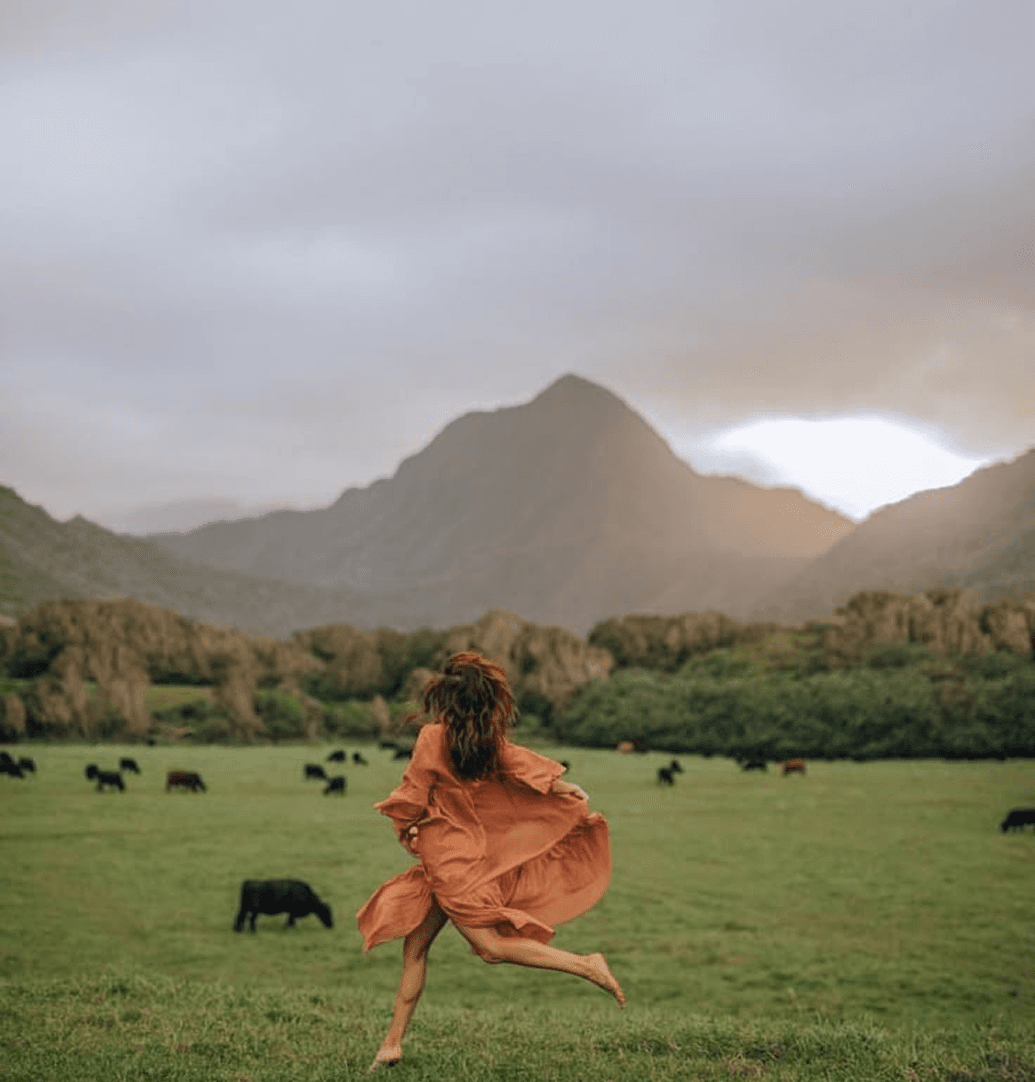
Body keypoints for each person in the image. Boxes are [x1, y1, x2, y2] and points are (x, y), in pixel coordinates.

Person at [357, 651, 624, 1071]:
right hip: (457, 863)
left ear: (446, 699)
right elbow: (523, 765)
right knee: (415, 949)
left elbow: (411, 794)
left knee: (491, 947)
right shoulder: (487, 744)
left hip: (450, 867)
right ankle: (391, 1045)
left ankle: (586, 965)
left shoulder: (432, 738)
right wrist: (565, 788)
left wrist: (403, 830)